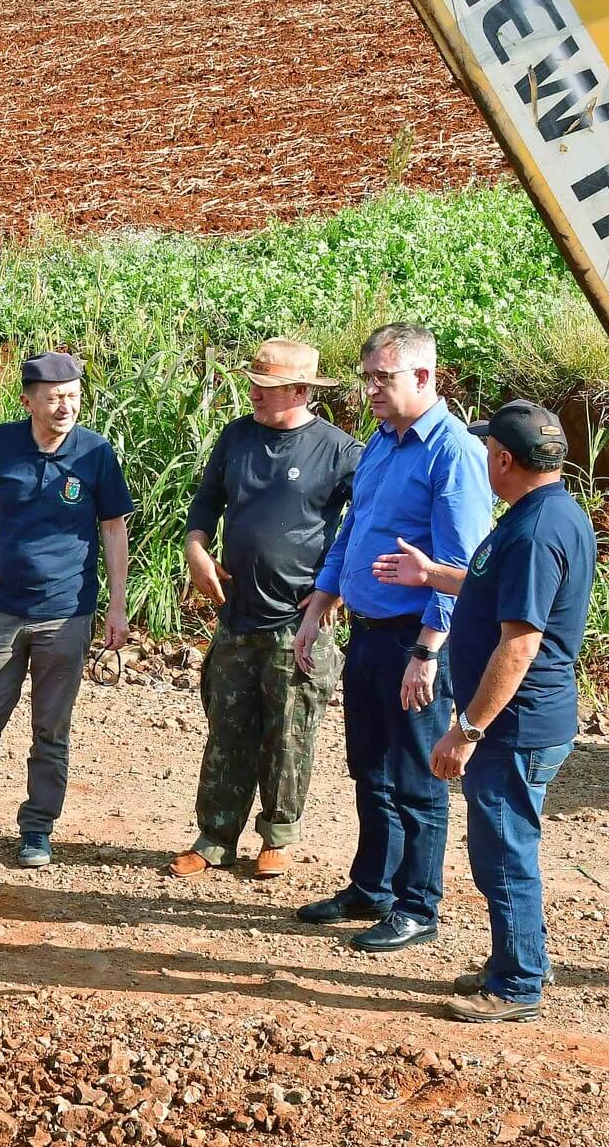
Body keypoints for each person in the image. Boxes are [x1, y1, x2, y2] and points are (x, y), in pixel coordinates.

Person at [372, 399, 594, 1022]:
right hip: (521, 722)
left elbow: (519, 644)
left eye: (486, 450)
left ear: (502, 457)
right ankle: (515, 963)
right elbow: (495, 591)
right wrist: (433, 576)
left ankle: (519, 983)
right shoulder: (547, 514)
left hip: (515, 725)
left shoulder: (532, 531)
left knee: (503, 851)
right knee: (504, 844)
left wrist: (466, 728)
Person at [291, 323, 492, 952]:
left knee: (416, 776)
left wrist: (428, 651)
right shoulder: (380, 443)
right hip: (369, 634)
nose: (371, 390)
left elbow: (459, 562)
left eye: (384, 378)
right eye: (369, 377)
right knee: (370, 769)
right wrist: (322, 597)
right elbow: (355, 529)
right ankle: (372, 887)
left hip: (415, 640)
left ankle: (417, 905)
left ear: (424, 378)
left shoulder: (452, 454)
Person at [0, 351, 134, 870]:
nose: (66, 405)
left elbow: (113, 528)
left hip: (67, 612)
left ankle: (37, 830)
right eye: (55, 396)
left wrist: (117, 606)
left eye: (74, 396)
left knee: (50, 731)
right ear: (28, 400)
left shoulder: (95, 453)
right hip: (2, 607)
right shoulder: (0, 444)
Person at [168, 340, 361, 882]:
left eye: (267, 387)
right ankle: (214, 837)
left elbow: (365, 524)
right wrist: (196, 548)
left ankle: (278, 835)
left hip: (298, 621)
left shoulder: (341, 451)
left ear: (300, 391)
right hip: (235, 615)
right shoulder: (237, 437)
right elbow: (206, 502)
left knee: (290, 732)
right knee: (226, 727)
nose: (254, 392)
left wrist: (338, 585)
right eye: (253, 383)